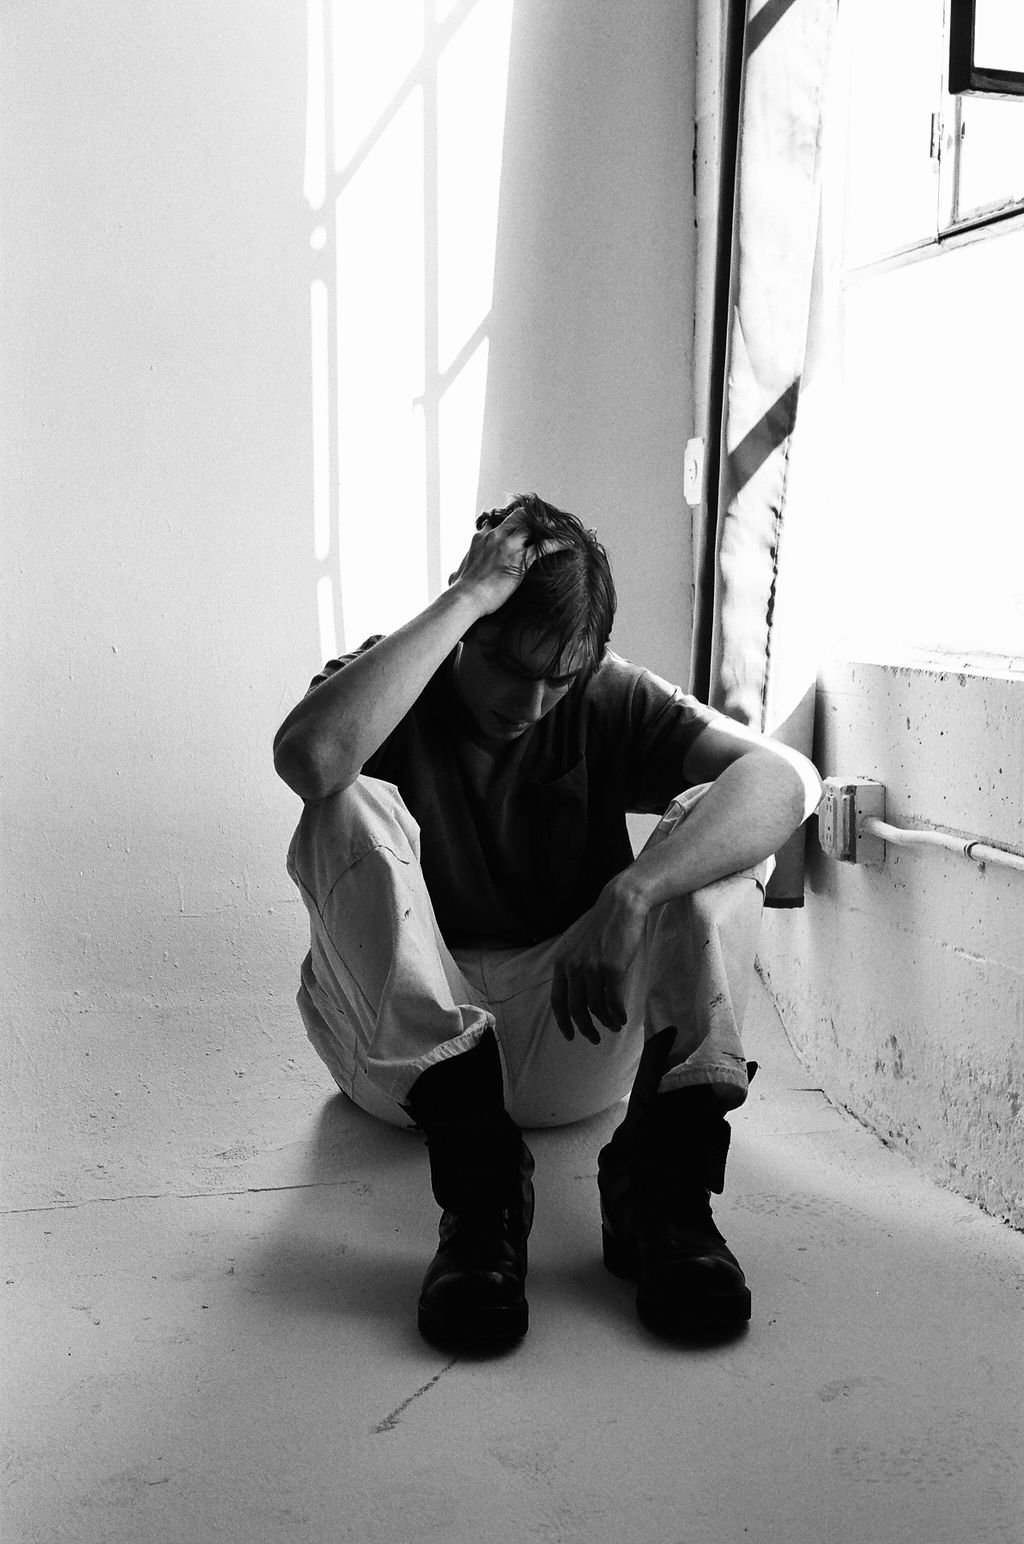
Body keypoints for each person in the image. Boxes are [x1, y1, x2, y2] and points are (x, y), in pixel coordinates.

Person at [273, 494, 821, 1349]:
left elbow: (785, 781)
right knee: (343, 805)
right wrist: (462, 597)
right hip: (400, 1060)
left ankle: (660, 1194)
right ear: (472, 622)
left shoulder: (604, 696)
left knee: (717, 831)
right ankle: (482, 1200)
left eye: (558, 677)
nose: (531, 702)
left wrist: (634, 891)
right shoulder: (395, 673)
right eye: (509, 665)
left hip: (570, 1026)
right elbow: (309, 760)